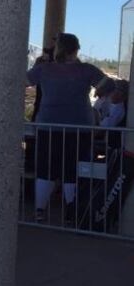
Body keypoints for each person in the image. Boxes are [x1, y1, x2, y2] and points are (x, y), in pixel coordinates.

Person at [27, 33, 107, 222]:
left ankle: (39, 210)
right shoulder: (87, 70)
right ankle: (72, 212)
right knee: (74, 169)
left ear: (58, 49)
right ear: (76, 49)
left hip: (48, 124)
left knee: (46, 168)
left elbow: (24, 81)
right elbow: (108, 86)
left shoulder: (44, 69)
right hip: (80, 127)